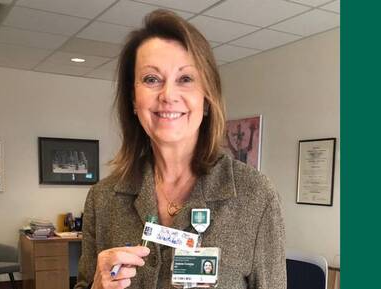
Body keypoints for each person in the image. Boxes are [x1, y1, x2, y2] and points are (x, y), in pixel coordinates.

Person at [75, 9, 286, 289]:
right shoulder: (103, 199)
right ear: (133, 100)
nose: (168, 95)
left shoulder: (255, 196)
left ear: (207, 98)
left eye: (185, 79)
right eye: (151, 79)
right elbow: (85, 283)